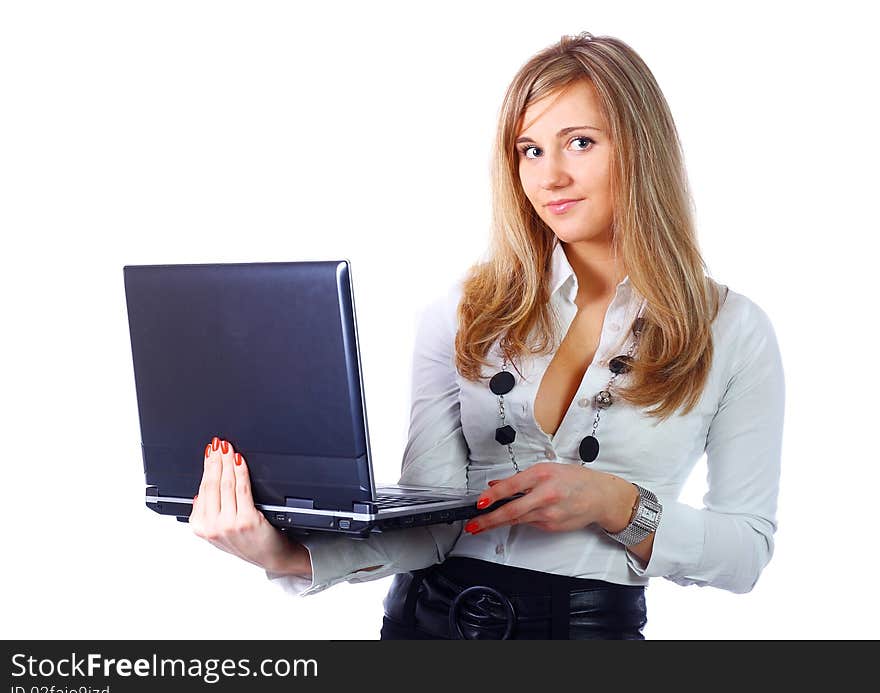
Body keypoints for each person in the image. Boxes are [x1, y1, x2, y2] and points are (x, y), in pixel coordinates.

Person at [188, 32, 785, 640]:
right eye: (529, 150)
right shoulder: (462, 311)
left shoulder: (732, 330)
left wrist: (621, 506)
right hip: (423, 623)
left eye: (580, 143)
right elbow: (433, 520)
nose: (550, 176)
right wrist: (285, 554)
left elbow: (745, 554)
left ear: (641, 150)